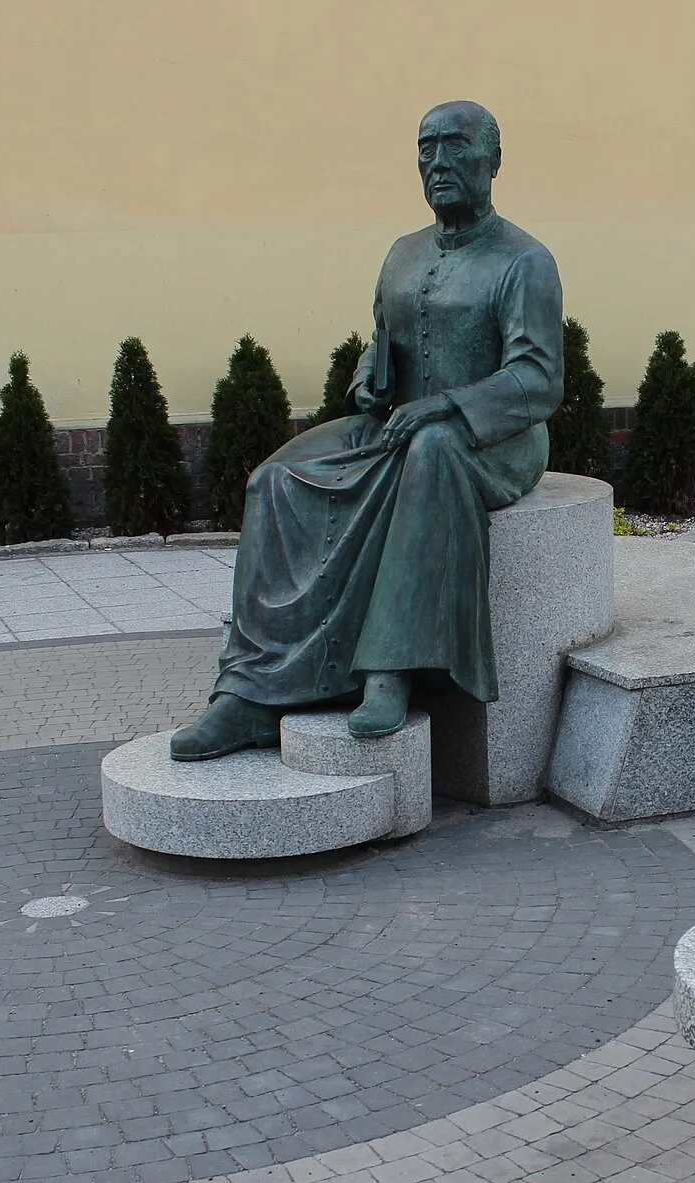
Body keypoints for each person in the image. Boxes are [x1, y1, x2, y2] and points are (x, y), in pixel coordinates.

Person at [170, 100, 564, 760]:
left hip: (494, 438)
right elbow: (382, 342)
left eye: (455, 146)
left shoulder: (524, 261)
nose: (437, 161)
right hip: (395, 423)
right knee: (273, 480)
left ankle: (389, 672)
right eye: (425, 148)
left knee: (431, 451)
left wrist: (442, 409)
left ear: (492, 161)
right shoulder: (402, 254)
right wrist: (367, 380)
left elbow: (539, 381)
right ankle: (249, 693)